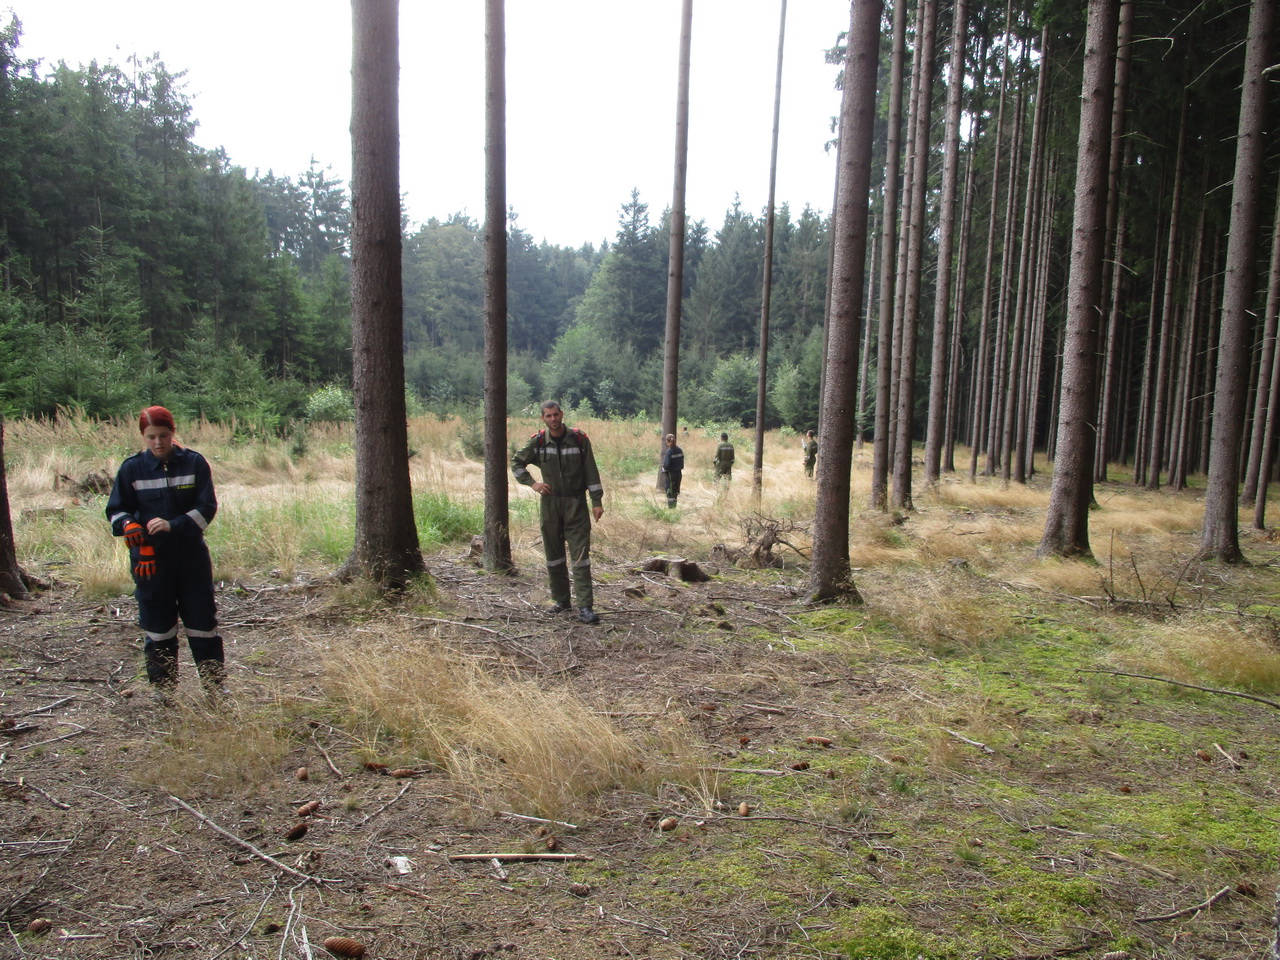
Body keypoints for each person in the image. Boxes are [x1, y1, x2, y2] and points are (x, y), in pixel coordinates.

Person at [106, 406, 224, 700]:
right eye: (151, 437)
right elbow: (115, 509)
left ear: (173, 433)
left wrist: (174, 525)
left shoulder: (194, 463)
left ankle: (215, 688)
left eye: (163, 435)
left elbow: (207, 508)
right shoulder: (131, 469)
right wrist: (128, 524)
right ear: (143, 437)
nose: (158, 443)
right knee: (158, 627)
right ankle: (164, 692)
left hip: (191, 558)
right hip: (150, 561)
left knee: (202, 623)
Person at [511, 401, 604, 624]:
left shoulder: (579, 439)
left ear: (562, 414)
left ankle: (585, 607)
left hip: (576, 505)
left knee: (580, 557)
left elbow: (591, 471)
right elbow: (516, 463)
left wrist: (597, 502)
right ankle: (561, 601)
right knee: (554, 557)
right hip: (550, 505)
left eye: (556, 414)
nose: (553, 419)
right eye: (548, 416)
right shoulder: (539, 441)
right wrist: (533, 484)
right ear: (543, 418)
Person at [661, 433, 684, 508]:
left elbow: (666, 465)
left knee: (670, 491)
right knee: (676, 491)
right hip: (679, 474)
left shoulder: (669, 452)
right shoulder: (680, 450)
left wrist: (664, 469)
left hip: (671, 474)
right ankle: (675, 506)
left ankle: (671, 509)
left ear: (667, 441)